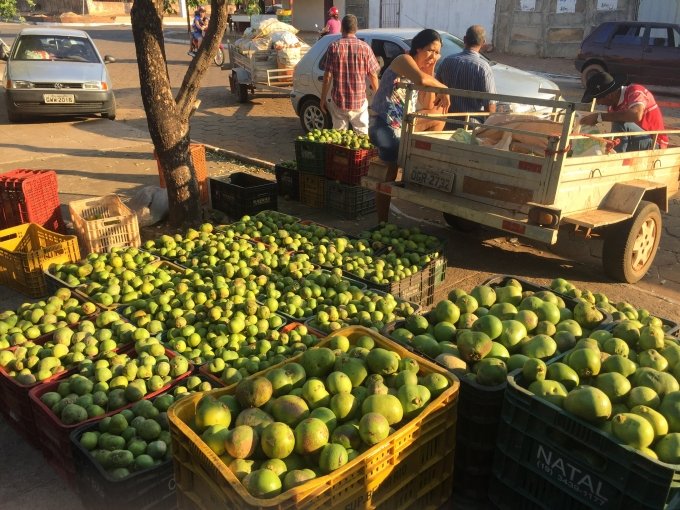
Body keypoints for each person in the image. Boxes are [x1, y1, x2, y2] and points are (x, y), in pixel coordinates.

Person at [368, 29, 451, 222]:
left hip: (402, 126)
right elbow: (421, 81)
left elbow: (430, 105)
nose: (434, 56)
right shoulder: (402, 60)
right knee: (389, 171)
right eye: (430, 50)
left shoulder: (423, 72)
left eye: (438, 53)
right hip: (384, 126)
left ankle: (419, 162)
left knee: (439, 115)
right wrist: (444, 88)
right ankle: (382, 221)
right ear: (418, 48)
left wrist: (431, 70)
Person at [319, 15, 380, 135]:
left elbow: (327, 77)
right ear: (356, 29)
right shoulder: (365, 48)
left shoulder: (334, 47)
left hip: (339, 102)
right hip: (359, 102)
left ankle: (339, 154)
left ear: (342, 28)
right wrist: (377, 96)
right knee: (362, 136)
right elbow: (373, 75)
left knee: (339, 136)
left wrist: (322, 99)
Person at [580, 71, 667, 152]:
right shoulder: (612, 108)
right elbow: (619, 135)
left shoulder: (635, 91)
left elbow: (636, 114)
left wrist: (599, 117)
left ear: (609, 95)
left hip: (655, 143)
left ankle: (616, 162)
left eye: (598, 99)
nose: (598, 103)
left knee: (620, 122)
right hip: (635, 141)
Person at [436, 24, 496, 124]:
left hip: (445, 122)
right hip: (471, 126)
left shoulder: (447, 61)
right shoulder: (483, 67)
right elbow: (490, 105)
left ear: (464, 39)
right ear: (483, 42)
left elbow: (435, 90)